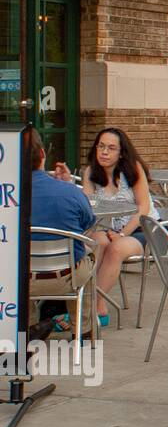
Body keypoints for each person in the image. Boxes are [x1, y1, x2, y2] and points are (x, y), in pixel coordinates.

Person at [81, 127, 158, 326]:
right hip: (106, 228)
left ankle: (90, 306)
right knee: (97, 243)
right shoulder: (90, 172)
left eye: (111, 148)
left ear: (121, 152)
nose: (104, 152)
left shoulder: (134, 169)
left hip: (143, 229)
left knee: (116, 249)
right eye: (101, 146)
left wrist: (123, 233)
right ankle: (92, 308)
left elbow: (143, 208)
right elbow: (90, 209)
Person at [27, 127, 95, 337]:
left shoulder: (7, 195)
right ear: (43, 155)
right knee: (88, 255)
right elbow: (87, 223)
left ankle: (26, 327)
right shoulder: (70, 193)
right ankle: (83, 330)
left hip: (22, 280)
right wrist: (66, 186)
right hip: (66, 277)